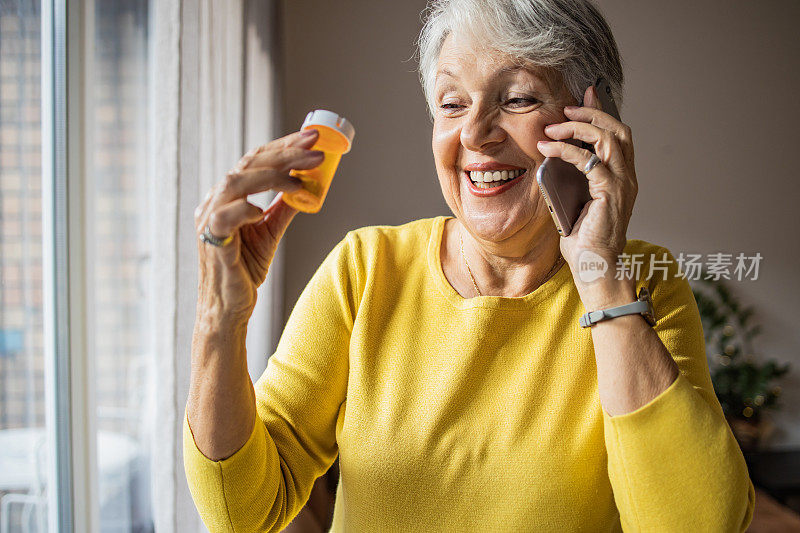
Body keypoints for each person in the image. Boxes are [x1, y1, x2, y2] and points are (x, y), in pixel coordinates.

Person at [184, 0, 756, 531]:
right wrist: (220, 322)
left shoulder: (643, 283)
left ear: (591, 121)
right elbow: (242, 511)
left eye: (518, 99)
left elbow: (697, 523)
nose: (475, 134)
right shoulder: (366, 268)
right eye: (452, 104)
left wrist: (600, 279)